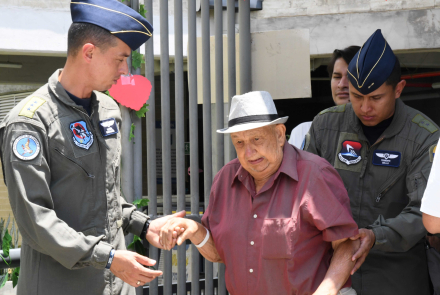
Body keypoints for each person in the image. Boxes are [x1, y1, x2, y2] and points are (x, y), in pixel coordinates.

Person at [0, 0, 181, 294]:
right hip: (60, 285)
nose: (125, 70)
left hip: (117, 284)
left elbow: (104, 195)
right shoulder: (30, 123)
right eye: (120, 59)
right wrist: (107, 258)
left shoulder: (108, 109)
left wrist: (146, 226)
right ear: (89, 52)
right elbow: (35, 221)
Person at [159, 91, 361, 295]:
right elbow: (220, 254)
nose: (249, 152)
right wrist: (194, 230)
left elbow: (346, 244)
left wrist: (326, 292)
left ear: (280, 134)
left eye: (256, 139)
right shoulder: (224, 180)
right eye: (239, 142)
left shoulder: (315, 175)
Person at [305, 29, 438, 295]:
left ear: (398, 89)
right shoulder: (326, 126)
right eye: (356, 96)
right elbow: (304, 195)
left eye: (376, 98)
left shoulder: (424, 136)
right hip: (333, 273)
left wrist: (375, 236)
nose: (365, 107)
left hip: (396, 276)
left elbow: (424, 213)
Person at [288, 46, 360, 148]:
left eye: (350, 77)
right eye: (337, 77)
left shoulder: (380, 133)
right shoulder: (303, 131)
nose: (341, 84)